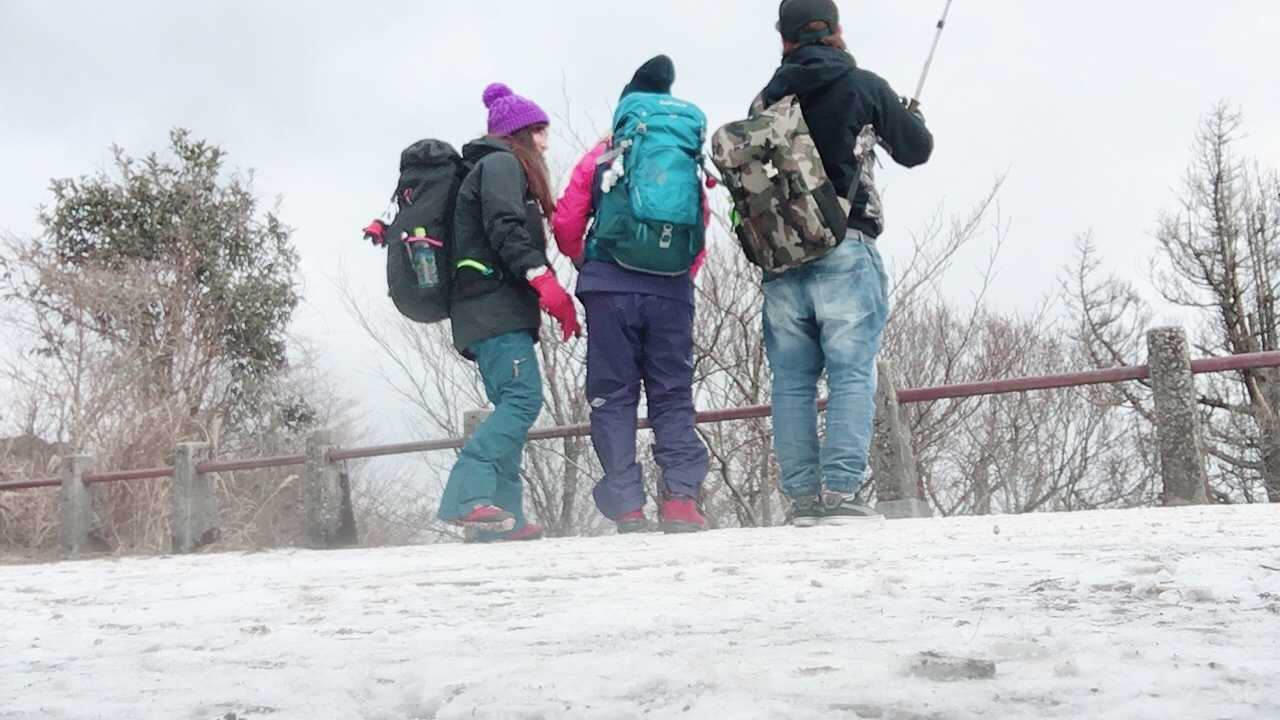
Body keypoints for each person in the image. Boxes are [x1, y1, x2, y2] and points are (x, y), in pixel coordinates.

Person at [760, 0, 933, 526]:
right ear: (836, 30)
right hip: (845, 244)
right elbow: (917, 149)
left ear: (785, 39)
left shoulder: (767, 98)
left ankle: (802, 501)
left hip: (783, 257)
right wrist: (910, 116)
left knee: (791, 381)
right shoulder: (863, 85)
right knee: (851, 373)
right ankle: (840, 494)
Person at [552, 56, 711, 534]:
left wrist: (589, 265)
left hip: (610, 287)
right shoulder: (683, 152)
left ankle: (627, 506)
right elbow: (699, 223)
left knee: (614, 394)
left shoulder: (606, 152)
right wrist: (677, 275)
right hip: (671, 289)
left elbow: (566, 221)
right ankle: (681, 500)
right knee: (672, 392)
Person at [437, 82, 582, 542]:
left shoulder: (492, 166)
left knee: (511, 405)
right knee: (523, 399)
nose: (545, 144)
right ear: (518, 135)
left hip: (488, 309)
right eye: (539, 132)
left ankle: (504, 519)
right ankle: (467, 496)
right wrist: (543, 280)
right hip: (493, 307)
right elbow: (505, 226)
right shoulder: (500, 164)